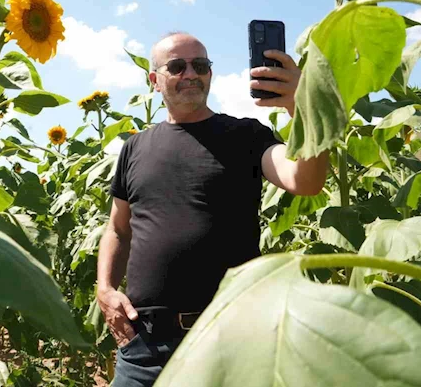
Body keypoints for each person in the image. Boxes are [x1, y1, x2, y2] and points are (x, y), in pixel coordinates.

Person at [96, 32, 329, 387]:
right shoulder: (135, 148)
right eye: (177, 66)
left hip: (230, 338)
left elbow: (305, 180)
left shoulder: (246, 136)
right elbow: (118, 229)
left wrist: (302, 105)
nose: (191, 74)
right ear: (155, 81)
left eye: (200, 65)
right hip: (145, 348)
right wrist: (105, 288)